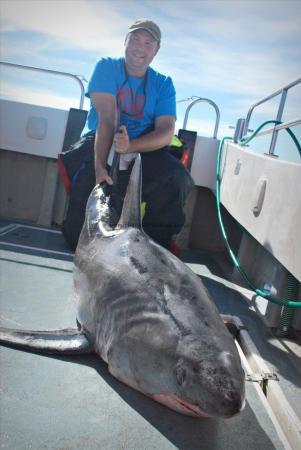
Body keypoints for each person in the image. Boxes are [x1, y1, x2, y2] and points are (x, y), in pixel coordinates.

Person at [62, 18, 194, 250]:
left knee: (176, 176)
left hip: (140, 146)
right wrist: (100, 168)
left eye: (148, 43)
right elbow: (108, 118)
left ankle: (155, 246)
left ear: (156, 50)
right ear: (125, 40)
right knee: (76, 239)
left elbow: (165, 132)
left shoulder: (163, 83)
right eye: (134, 39)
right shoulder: (106, 66)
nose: (139, 48)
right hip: (101, 139)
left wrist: (130, 146)